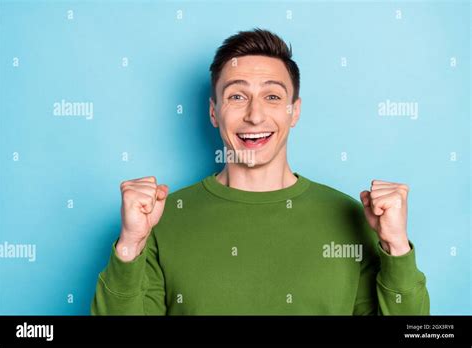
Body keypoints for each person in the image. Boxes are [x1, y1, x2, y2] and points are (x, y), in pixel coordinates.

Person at [91, 28, 429, 315]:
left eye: (271, 96)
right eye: (237, 96)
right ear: (214, 112)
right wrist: (130, 246)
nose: (255, 115)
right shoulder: (160, 219)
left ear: (293, 112)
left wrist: (396, 246)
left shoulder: (356, 218)